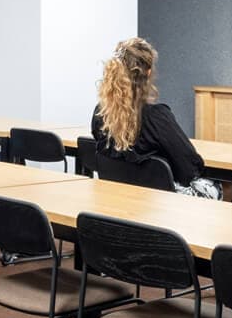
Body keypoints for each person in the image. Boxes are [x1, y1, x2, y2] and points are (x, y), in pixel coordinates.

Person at [90, 36, 220, 200]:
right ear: (148, 72)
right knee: (221, 187)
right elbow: (191, 168)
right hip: (158, 207)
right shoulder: (157, 117)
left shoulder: (100, 114)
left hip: (118, 200)